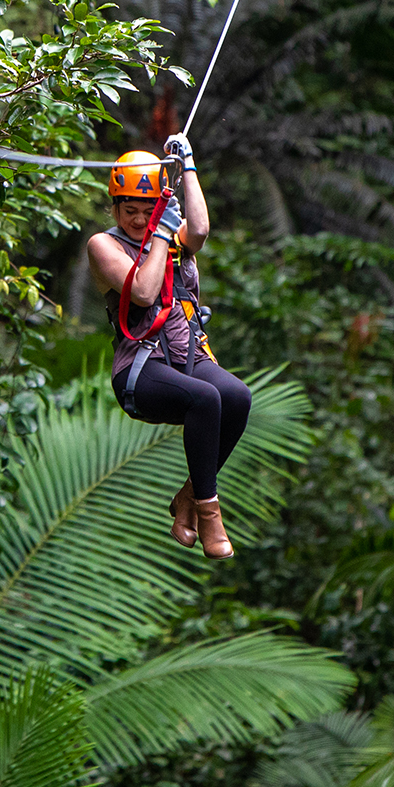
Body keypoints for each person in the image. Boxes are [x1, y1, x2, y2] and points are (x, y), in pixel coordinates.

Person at [87, 135, 251, 559]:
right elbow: (143, 292)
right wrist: (160, 231)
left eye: (148, 210)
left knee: (236, 396)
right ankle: (209, 514)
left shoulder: (173, 237)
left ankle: (187, 499)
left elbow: (200, 230)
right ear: (115, 208)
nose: (139, 220)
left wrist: (187, 166)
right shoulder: (104, 245)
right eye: (130, 211)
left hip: (188, 354)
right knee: (205, 398)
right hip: (142, 368)